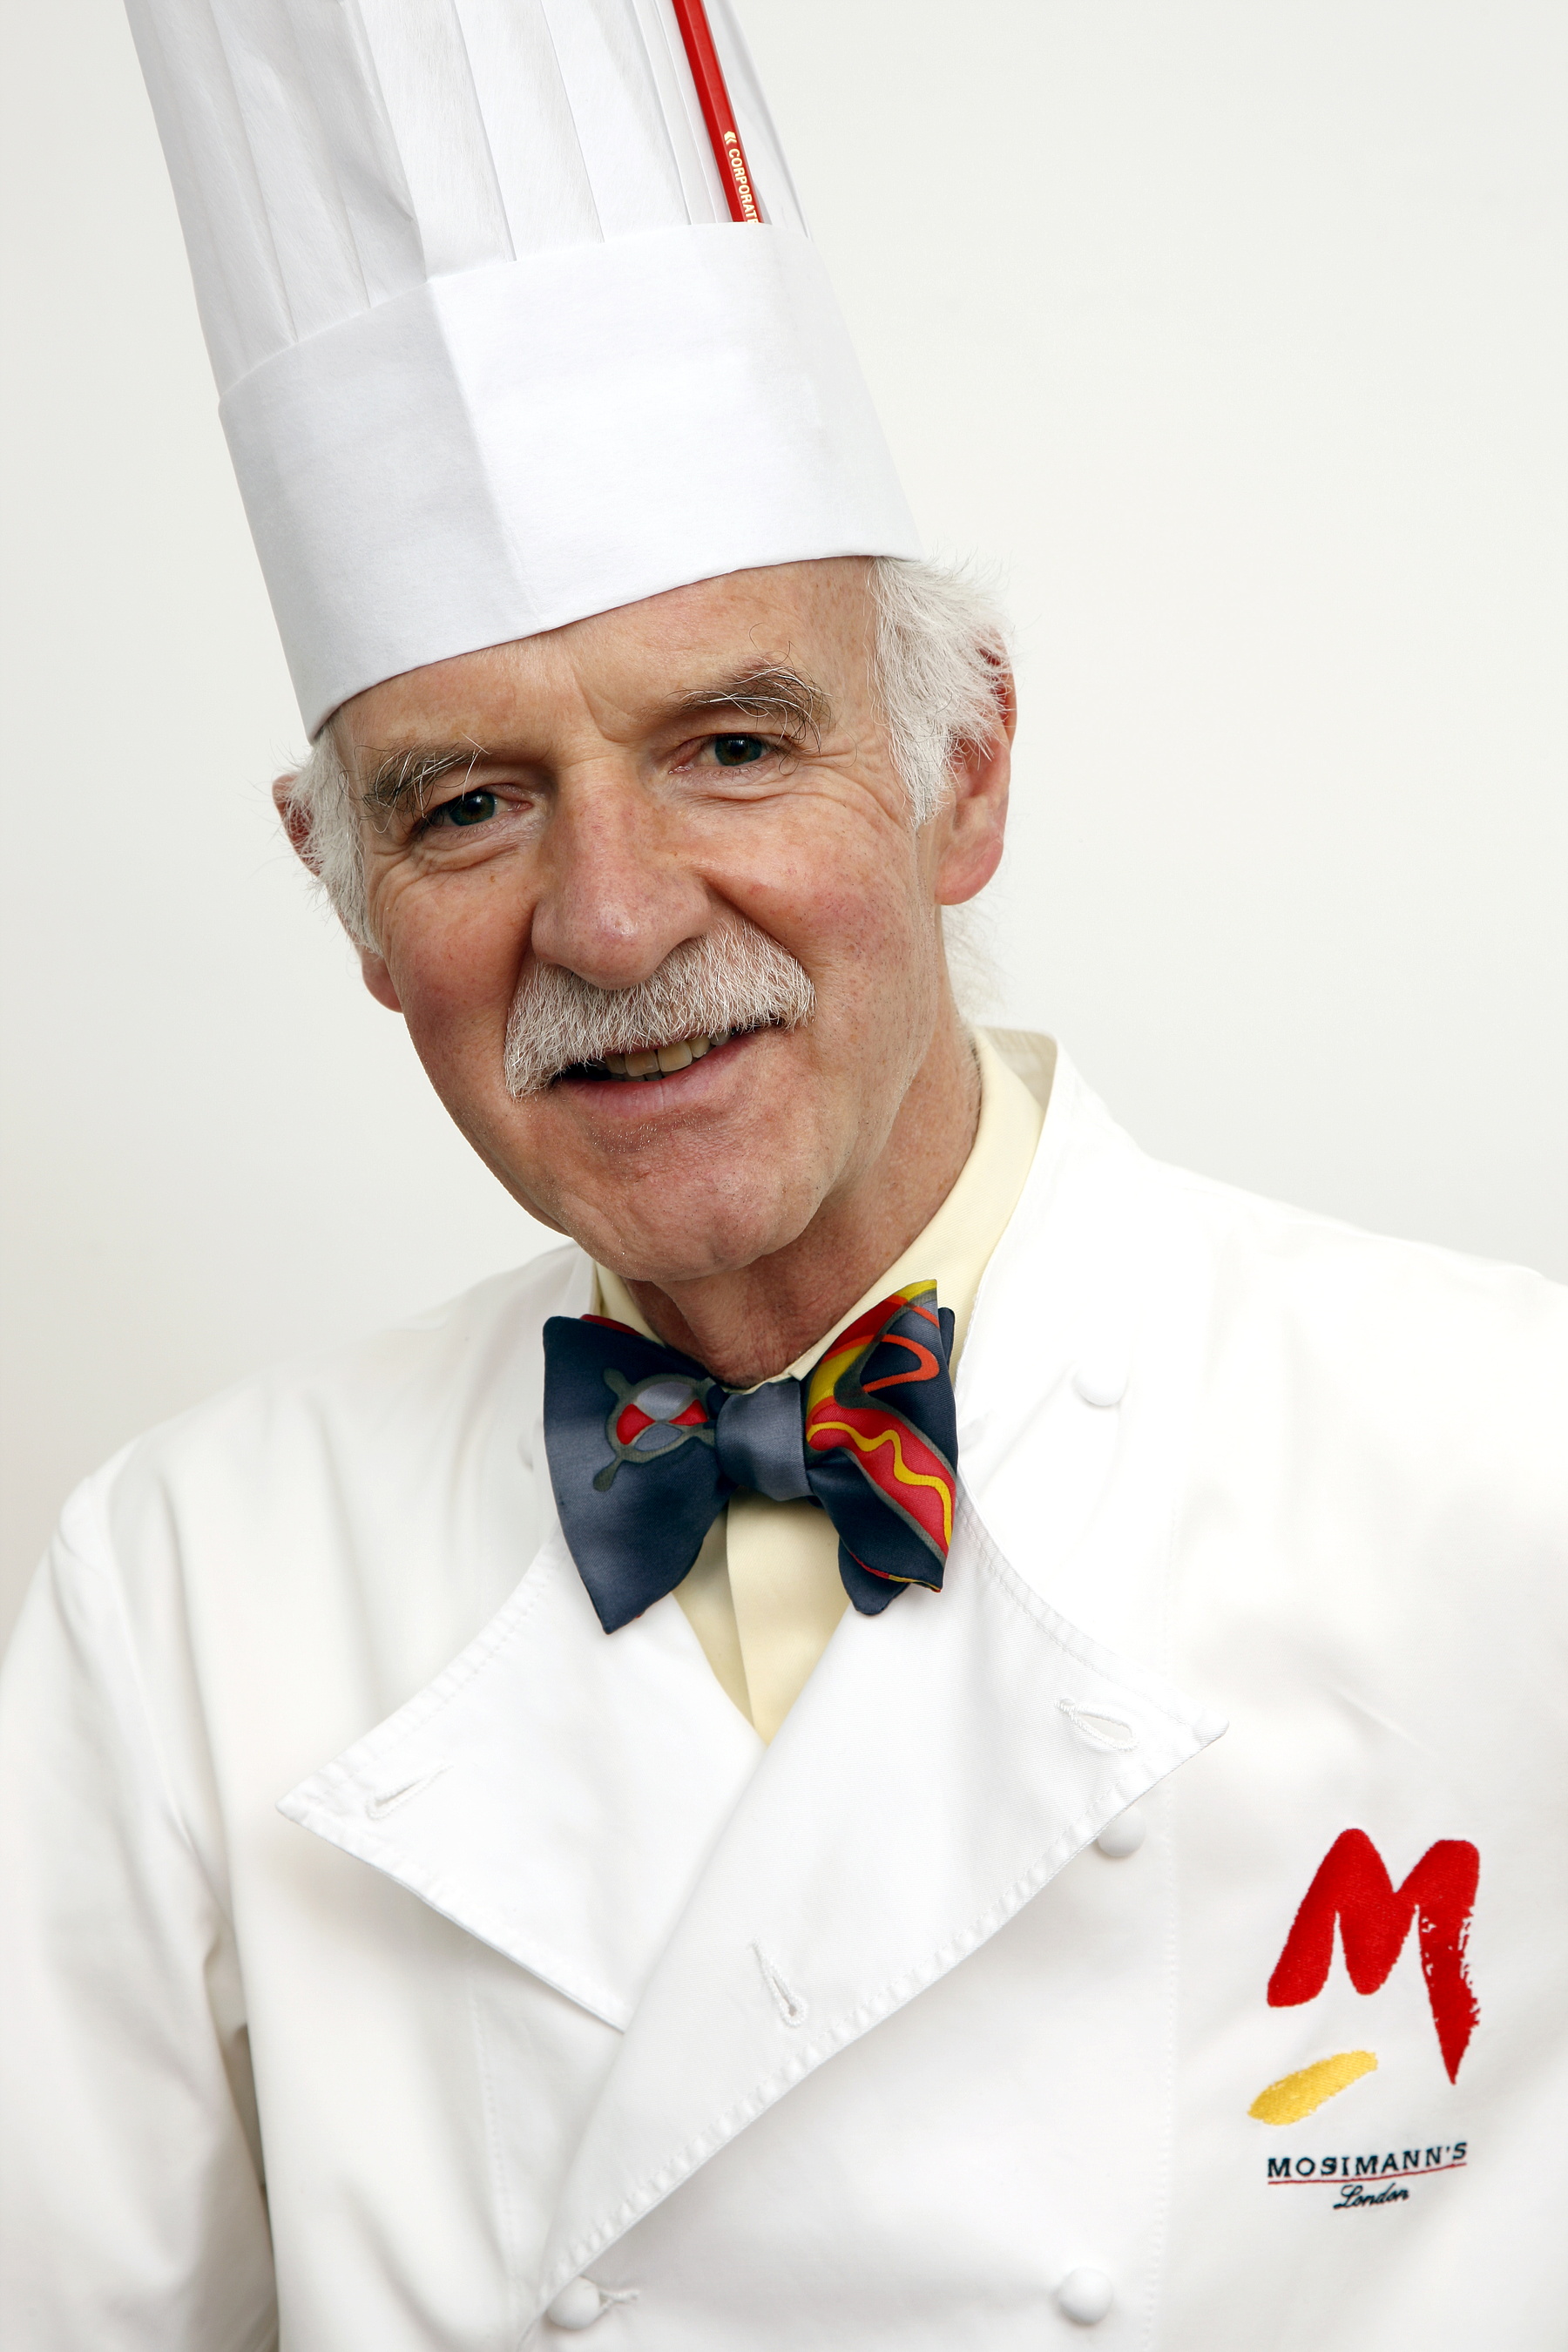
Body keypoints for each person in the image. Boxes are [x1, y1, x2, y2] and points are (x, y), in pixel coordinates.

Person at [2, 4, 1565, 2348]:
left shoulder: (1513, 1464)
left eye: (732, 744)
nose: (617, 920)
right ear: (349, 905)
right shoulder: (184, 1588)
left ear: (963, 769)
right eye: (466, 804)